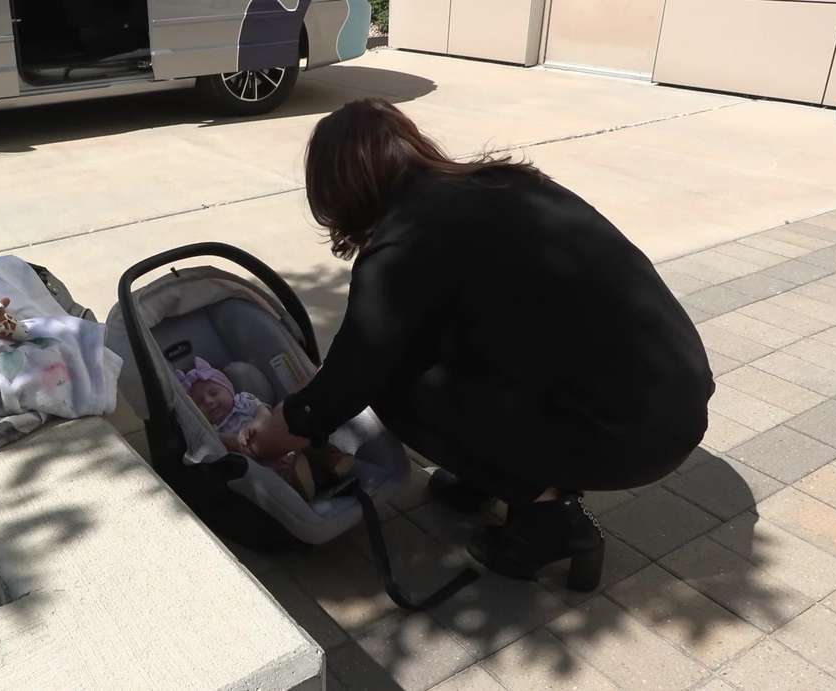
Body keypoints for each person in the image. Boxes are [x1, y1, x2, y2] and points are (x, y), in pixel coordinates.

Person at [242, 98, 713, 591]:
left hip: (632, 434)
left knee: (395, 388)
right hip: (678, 390)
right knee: (443, 346)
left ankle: (548, 522)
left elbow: (354, 375)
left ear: (340, 191)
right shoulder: (507, 184)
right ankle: (493, 476)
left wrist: (283, 428)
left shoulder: (404, 245)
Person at [178, 357, 354, 500]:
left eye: (214, 393)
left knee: (304, 436)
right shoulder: (213, 429)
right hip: (260, 459)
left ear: (228, 389)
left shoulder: (243, 400)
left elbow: (263, 410)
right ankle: (300, 481)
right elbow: (225, 445)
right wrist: (235, 440)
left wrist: (257, 423)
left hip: (276, 437)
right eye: (199, 402)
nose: (208, 401)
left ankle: (331, 461)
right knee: (274, 475)